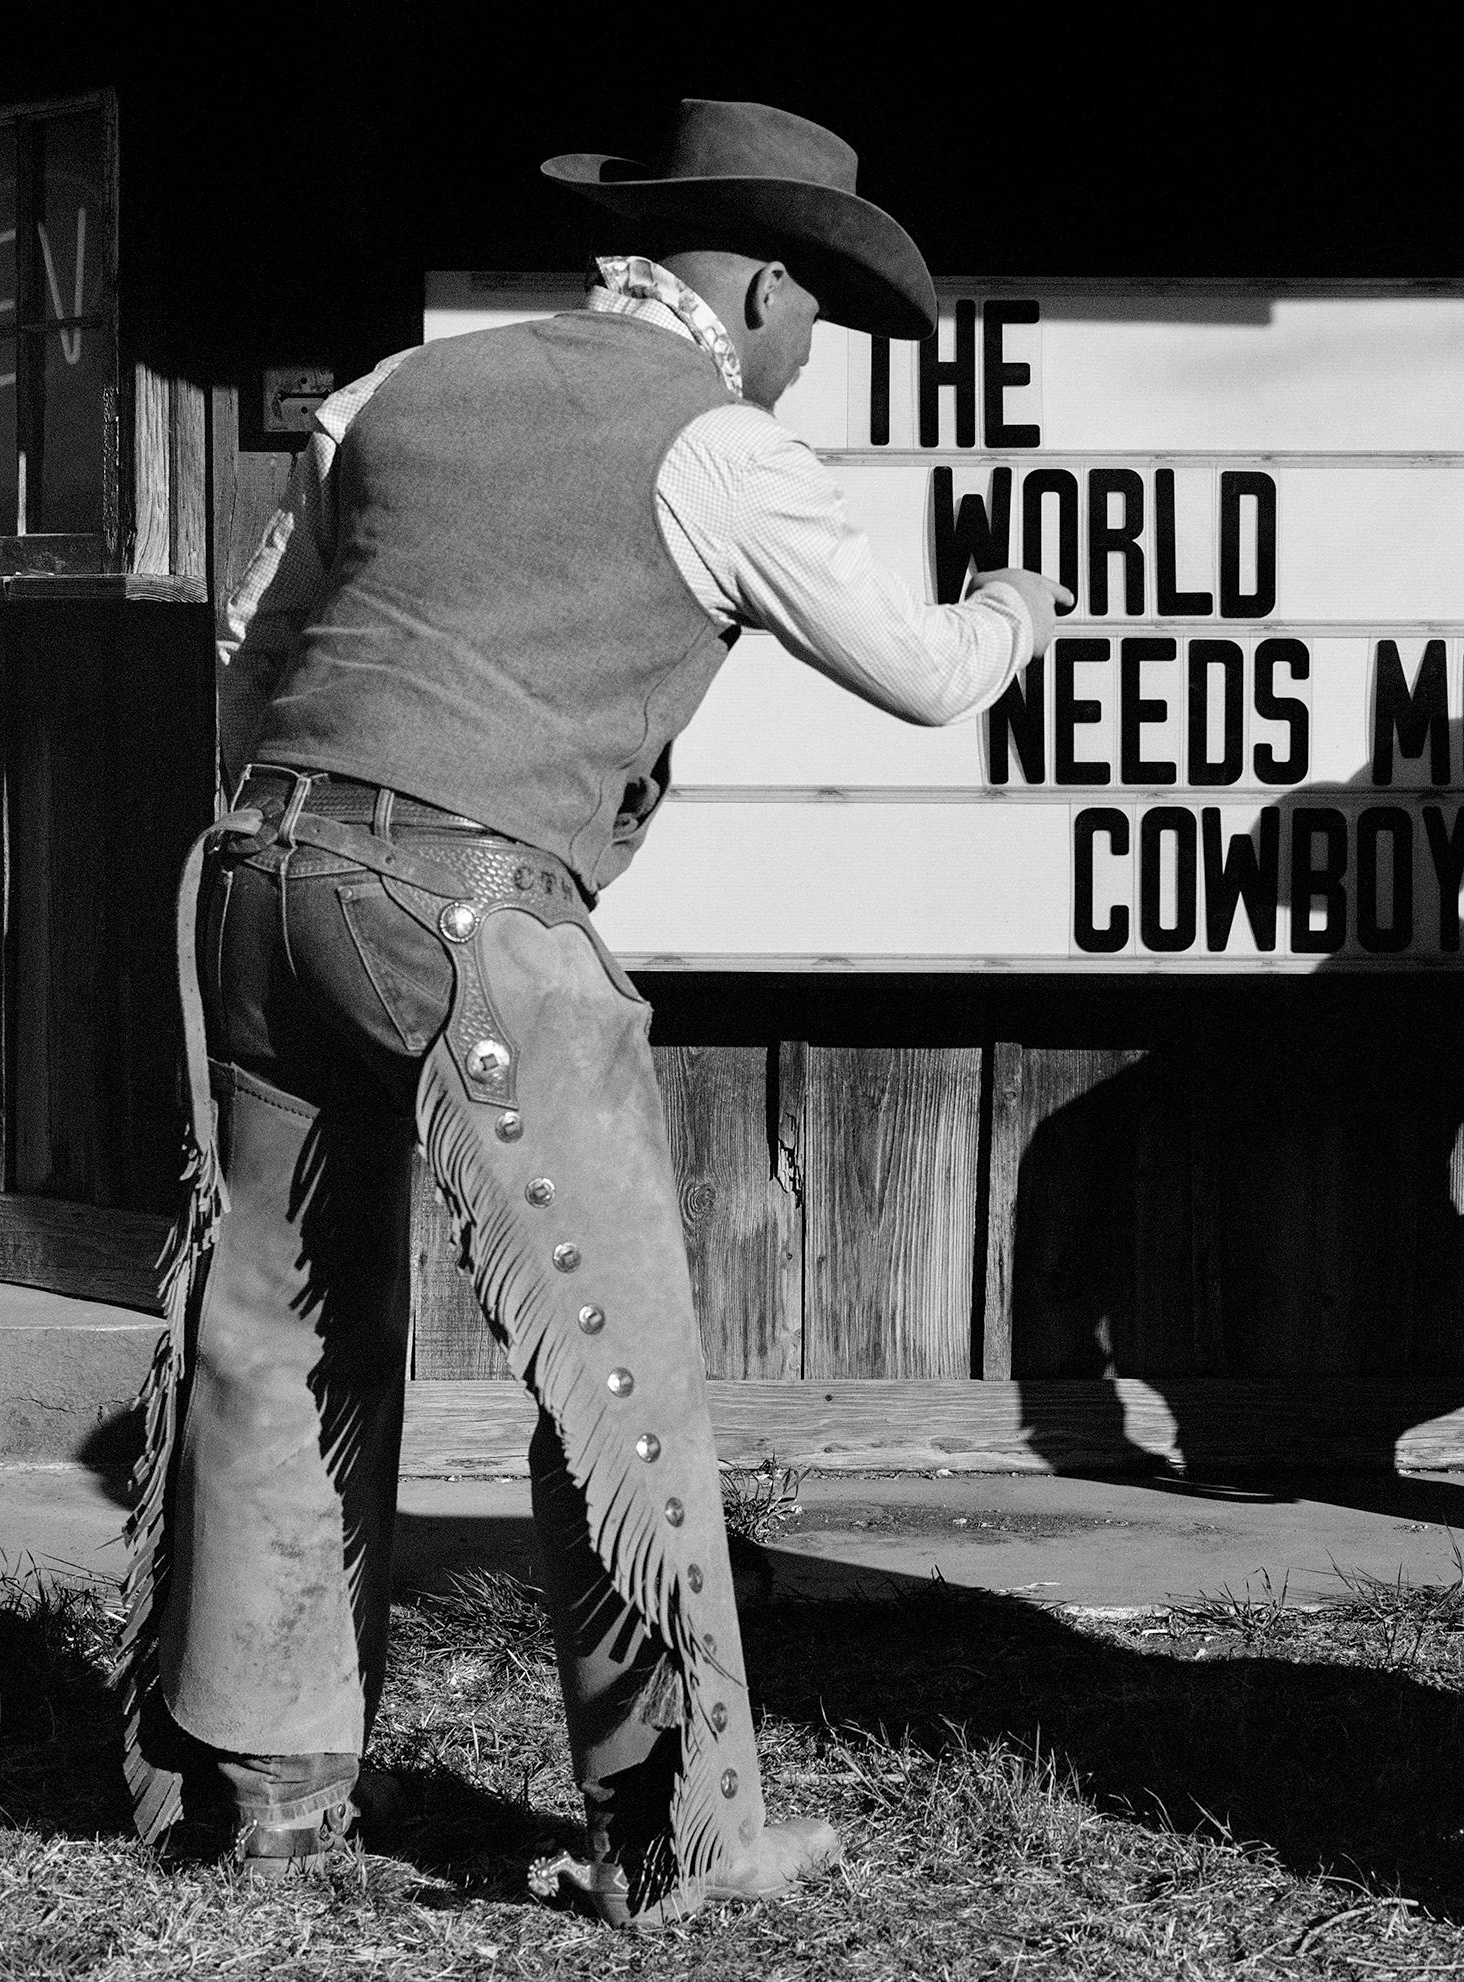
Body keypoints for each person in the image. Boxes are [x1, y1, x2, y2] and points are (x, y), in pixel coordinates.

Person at [119, 99, 1069, 1925]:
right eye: (820, 330)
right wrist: (1015, 602)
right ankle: (677, 1829)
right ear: (769, 289)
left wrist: (315, 819)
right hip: (472, 909)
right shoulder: (719, 449)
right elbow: (925, 675)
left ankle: (264, 1780)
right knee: (613, 1366)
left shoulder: (394, 390)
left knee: (270, 1321)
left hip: (256, 869)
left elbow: (256, 651)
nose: (812, 368)